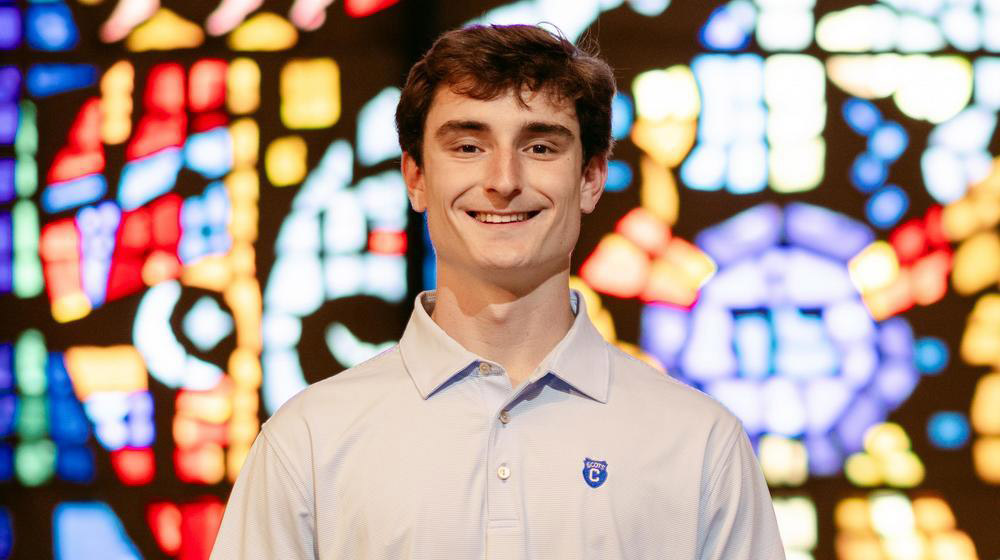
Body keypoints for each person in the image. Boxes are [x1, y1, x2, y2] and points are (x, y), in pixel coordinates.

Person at [211, 24, 786, 559]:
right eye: (468, 146)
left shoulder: (699, 443)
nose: (504, 181)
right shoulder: (309, 443)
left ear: (591, 178)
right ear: (416, 177)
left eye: (540, 147)